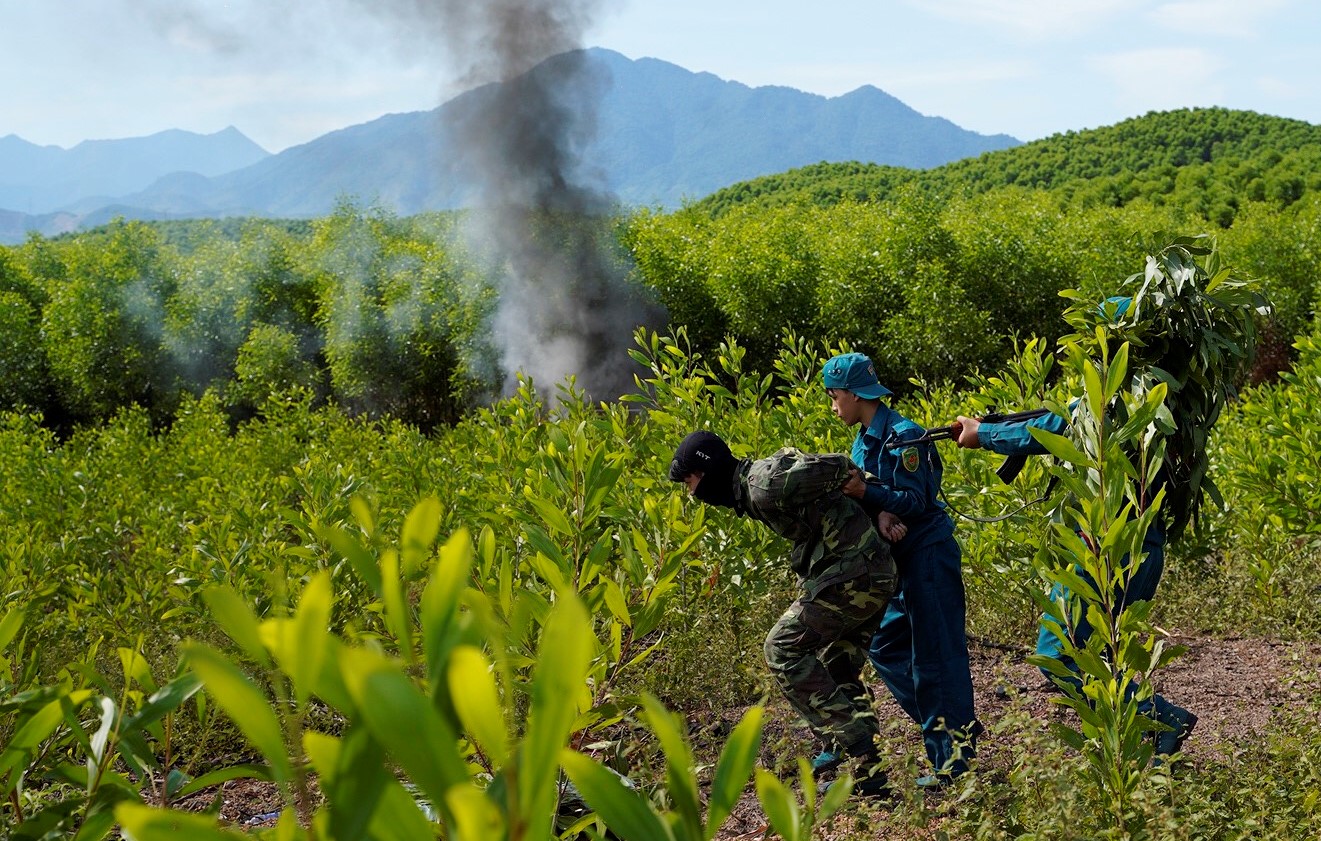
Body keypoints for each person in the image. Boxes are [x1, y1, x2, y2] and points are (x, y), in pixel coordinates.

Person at [953, 395, 1198, 759]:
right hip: (1145, 547)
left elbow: (1057, 428)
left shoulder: (1112, 398)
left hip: (1108, 550)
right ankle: (1130, 750)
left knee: (1062, 657)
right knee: (1100, 655)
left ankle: (1162, 719)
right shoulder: (1158, 404)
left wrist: (985, 433)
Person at [668, 430, 900, 797]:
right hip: (862, 572)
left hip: (858, 572)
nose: (691, 492)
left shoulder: (764, 484)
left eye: (690, 481)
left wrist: (881, 501)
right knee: (837, 664)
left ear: (707, 471)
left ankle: (852, 744)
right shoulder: (753, 492)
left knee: (782, 647)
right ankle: (870, 777)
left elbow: (838, 466)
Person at [820, 352, 981, 789]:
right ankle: (956, 727)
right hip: (896, 562)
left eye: (834, 396)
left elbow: (918, 502)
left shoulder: (905, 436)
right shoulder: (862, 441)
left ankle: (953, 764)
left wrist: (871, 492)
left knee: (935, 659)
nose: (833, 405)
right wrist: (878, 511)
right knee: (886, 646)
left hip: (927, 554)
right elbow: (879, 502)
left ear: (854, 394)